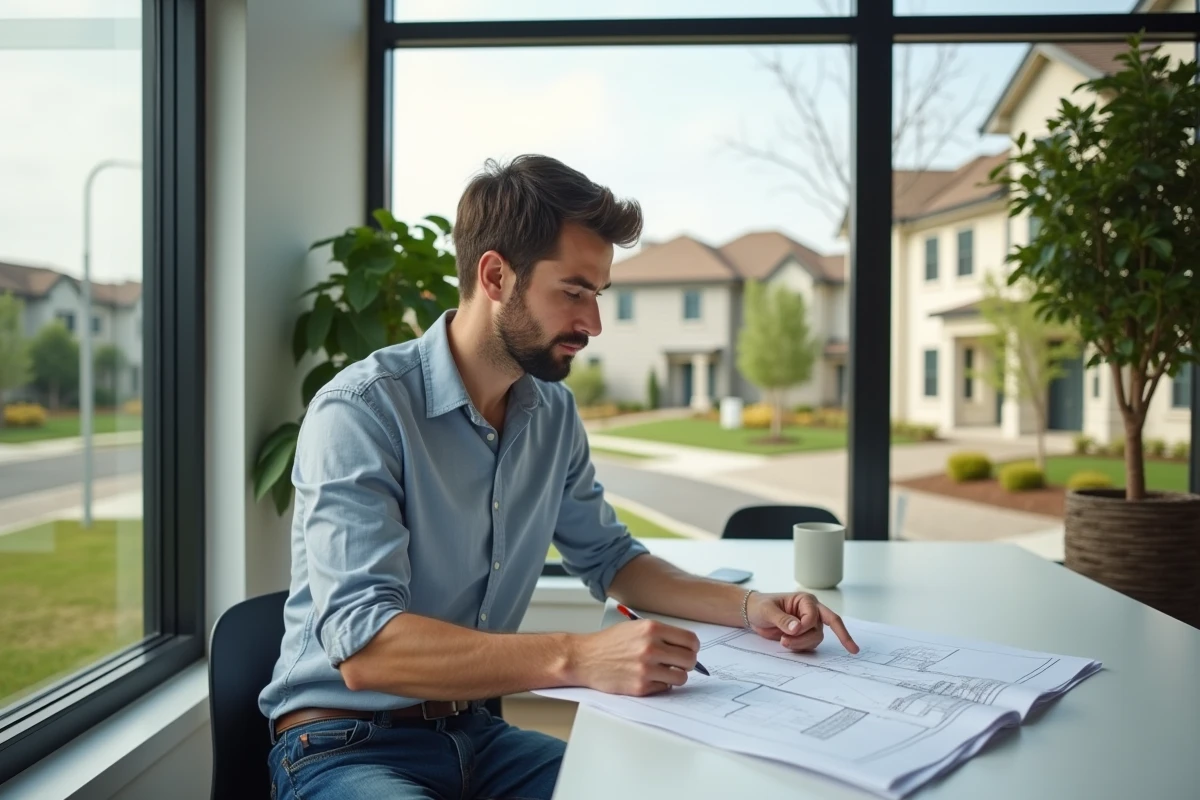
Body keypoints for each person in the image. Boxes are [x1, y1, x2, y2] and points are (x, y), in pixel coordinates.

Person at [258, 154, 859, 800]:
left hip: (477, 736)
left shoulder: (552, 413)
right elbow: (369, 650)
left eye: (597, 296)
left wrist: (749, 608)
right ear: (495, 275)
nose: (593, 324)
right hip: (344, 745)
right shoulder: (360, 412)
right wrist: (580, 658)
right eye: (573, 292)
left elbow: (612, 559)